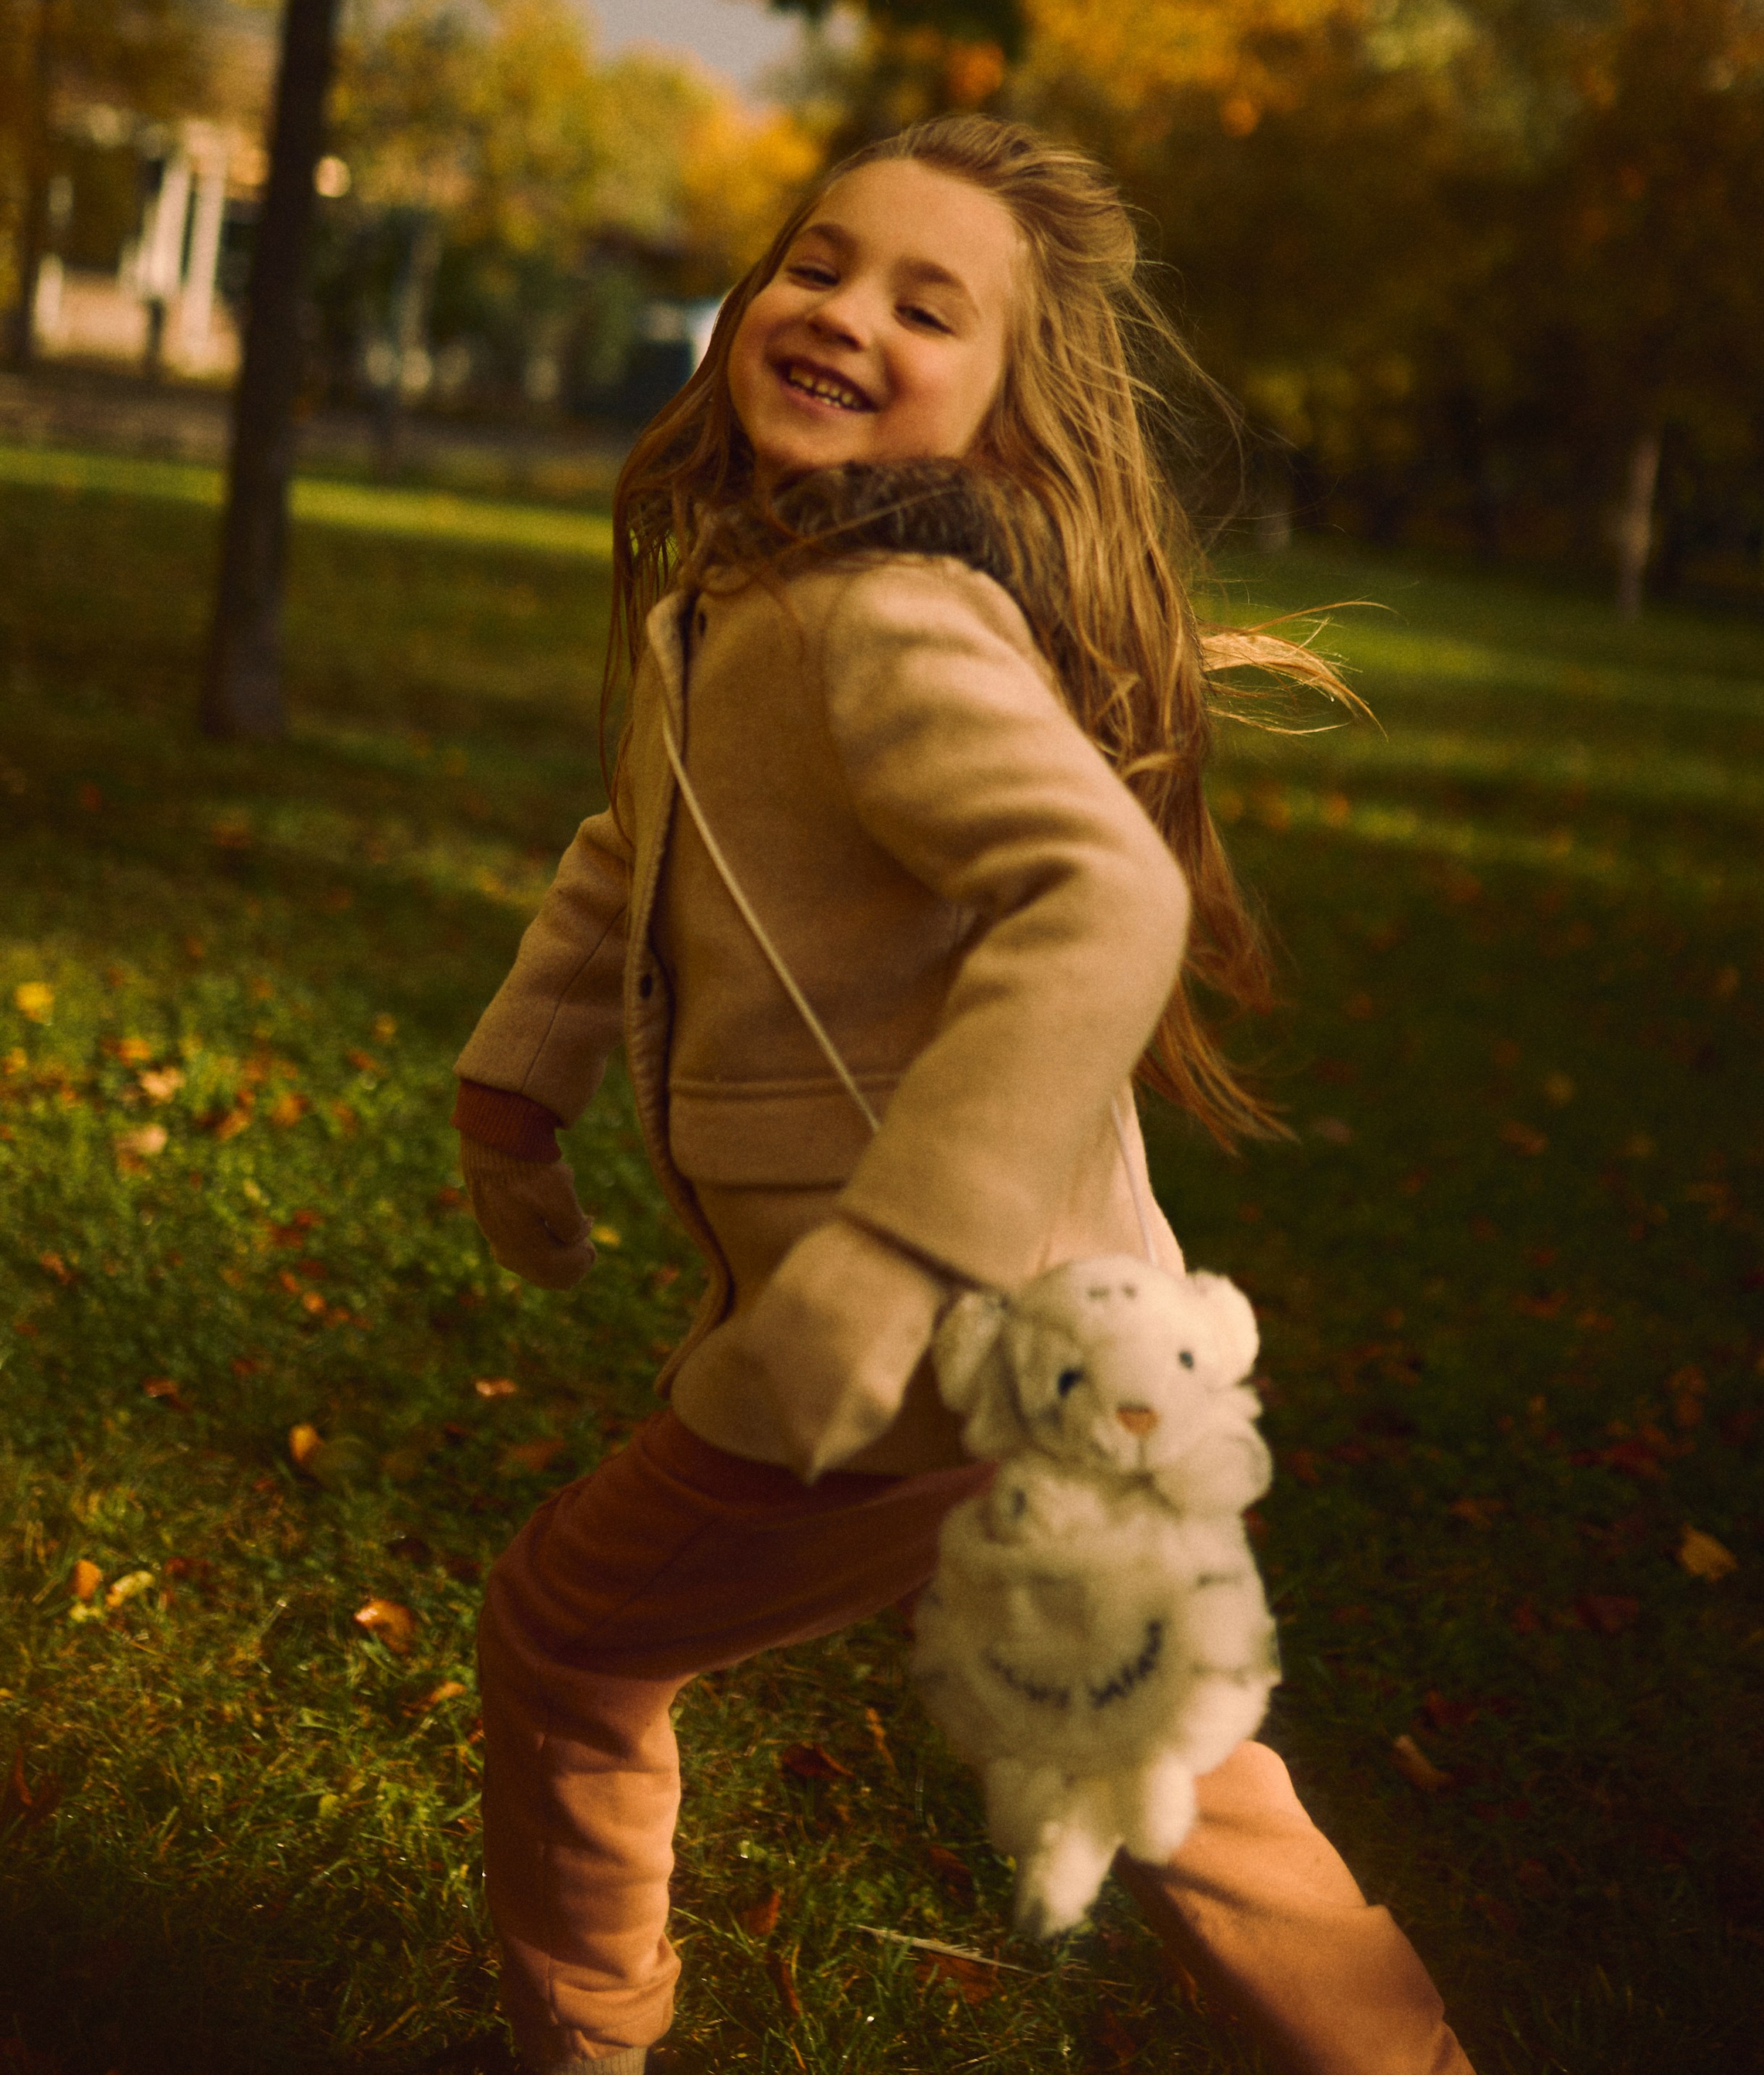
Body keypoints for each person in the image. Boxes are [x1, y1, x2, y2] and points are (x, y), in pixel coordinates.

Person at [453, 115, 1472, 2075]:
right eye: (817, 265)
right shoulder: (750, 597)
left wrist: (880, 1265)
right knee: (1168, 1763)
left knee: (569, 1639)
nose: (842, 314)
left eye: (926, 307)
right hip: (1076, 1347)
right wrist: (519, 1088)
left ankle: (575, 2047)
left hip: (911, 1356)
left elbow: (1099, 897)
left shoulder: (884, 615)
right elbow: (635, 847)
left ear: (1002, 417)